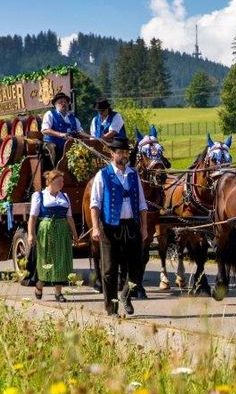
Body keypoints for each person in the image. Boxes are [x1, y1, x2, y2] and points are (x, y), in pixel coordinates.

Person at [89, 137, 149, 316]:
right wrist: (95, 227)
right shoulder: (103, 174)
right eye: (121, 152)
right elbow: (95, 203)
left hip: (131, 226)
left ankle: (126, 294)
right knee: (109, 270)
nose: (124, 155)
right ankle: (111, 308)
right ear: (112, 154)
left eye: (126, 152)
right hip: (110, 227)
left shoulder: (133, 174)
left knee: (136, 268)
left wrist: (144, 227)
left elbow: (142, 204)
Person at [28, 169, 79, 302]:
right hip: (46, 230)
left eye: (62, 181)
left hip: (62, 231)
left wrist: (74, 234)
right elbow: (32, 217)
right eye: (59, 181)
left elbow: (69, 217)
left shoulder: (65, 197)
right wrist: (30, 235)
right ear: (50, 182)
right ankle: (40, 283)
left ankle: (58, 293)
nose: (62, 184)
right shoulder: (39, 195)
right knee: (46, 259)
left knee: (61, 260)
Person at [41, 92, 87, 168]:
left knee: (82, 152)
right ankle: (54, 172)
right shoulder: (50, 114)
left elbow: (80, 131)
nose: (63, 104)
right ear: (55, 105)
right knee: (53, 149)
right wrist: (60, 134)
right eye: (60, 102)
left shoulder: (73, 118)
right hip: (52, 143)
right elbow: (44, 130)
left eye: (65, 102)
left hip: (70, 144)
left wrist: (92, 138)